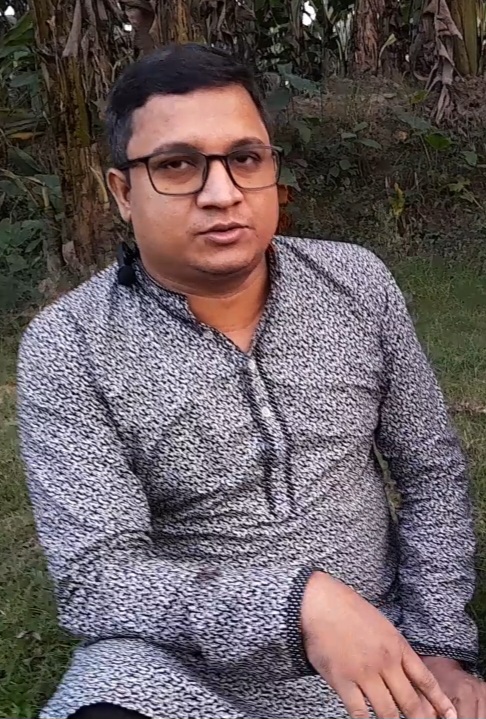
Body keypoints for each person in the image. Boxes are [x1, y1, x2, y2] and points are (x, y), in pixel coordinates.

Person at [16, 43, 486, 719]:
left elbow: (430, 472)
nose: (222, 193)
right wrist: (297, 605)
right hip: (177, 669)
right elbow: (96, 578)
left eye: (245, 158)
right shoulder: (71, 344)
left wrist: (442, 648)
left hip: (381, 655)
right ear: (122, 192)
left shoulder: (355, 284)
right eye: (177, 165)